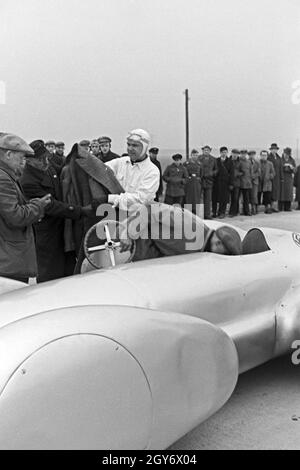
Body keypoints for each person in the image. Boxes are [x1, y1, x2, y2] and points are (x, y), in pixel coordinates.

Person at [20, 140, 93, 283]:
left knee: (68, 271)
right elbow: (50, 206)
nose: (46, 162)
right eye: (41, 160)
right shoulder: (27, 181)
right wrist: (80, 210)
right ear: (30, 161)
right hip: (47, 232)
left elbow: (66, 171)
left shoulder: (48, 168)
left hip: (63, 229)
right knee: (50, 273)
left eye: (47, 157)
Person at [0, 133, 51, 283]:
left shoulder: (7, 176)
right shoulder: (2, 178)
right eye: (21, 157)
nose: (24, 162)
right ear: (8, 154)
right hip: (9, 261)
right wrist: (38, 205)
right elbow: (15, 216)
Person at [119, 203, 242, 261]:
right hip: (136, 238)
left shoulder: (200, 243)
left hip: (152, 249)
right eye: (225, 254)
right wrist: (128, 233)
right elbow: (150, 209)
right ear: (218, 243)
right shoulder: (191, 227)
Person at [94, 129, 160, 211]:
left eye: (135, 145)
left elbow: (139, 200)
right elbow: (100, 168)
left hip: (138, 218)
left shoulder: (152, 171)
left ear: (145, 147)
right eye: (128, 144)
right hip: (116, 214)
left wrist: (109, 198)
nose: (130, 148)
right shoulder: (121, 162)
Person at [212, 146, 233, 219]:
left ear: (227, 153)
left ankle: (222, 212)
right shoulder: (216, 160)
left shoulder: (230, 161)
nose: (224, 154)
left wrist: (231, 183)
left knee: (224, 199)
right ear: (220, 153)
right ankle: (214, 212)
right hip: (217, 182)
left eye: (225, 152)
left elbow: (232, 173)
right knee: (215, 198)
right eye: (222, 152)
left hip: (226, 183)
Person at [198, 145, 218, 220]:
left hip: (209, 181)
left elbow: (216, 170)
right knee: (199, 198)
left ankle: (207, 214)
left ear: (210, 151)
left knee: (208, 199)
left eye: (208, 150)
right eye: (205, 150)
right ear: (202, 151)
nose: (206, 151)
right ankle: (199, 214)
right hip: (200, 180)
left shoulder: (213, 159)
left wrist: (211, 173)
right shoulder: (199, 158)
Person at [183, 149, 202, 214]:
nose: (195, 156)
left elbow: (201, 173)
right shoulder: (186, 163)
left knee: (197, 198)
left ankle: (196, 213)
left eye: (196, 155)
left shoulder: (199, 164)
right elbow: (184, 173)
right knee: (189, 198)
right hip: (189, 183)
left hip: (197, 183)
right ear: (191, 155)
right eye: (194, 155)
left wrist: (199, 179)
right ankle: (188, 212)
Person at [279, 147, 296, 212]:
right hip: (282, 178)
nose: (286, 155)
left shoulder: (292, 160)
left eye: (287, 154)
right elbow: (279, 168)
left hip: (289, 179)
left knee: (288, 193)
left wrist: (291, 167)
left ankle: (287, 207)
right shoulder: (281, 160)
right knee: (282, 193)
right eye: (285, 154)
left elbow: (295, 170)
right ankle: (280, 207)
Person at [268, 143, 282, 212]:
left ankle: (274, 206)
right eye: (273, 149)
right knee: (271, 192)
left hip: (277, 177)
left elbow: (280, 168)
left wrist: (281, 177)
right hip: (271, 177)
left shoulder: (279, 158)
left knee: (276, 192)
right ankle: (270, 207)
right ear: (271, 150)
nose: (274, 150)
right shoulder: (269, 157)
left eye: (275, 149)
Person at [229, 149, 243, 217]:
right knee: (229, 198)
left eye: (237, 154)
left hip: (237, 183)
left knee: (235, 198)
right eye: (234, 153)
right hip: (228, 182)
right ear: (231, 153)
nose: (235, 155)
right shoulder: (228, 160)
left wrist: (237, 174)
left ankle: (234, 212)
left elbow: (242, 172)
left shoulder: (240, 162)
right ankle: (230, 211)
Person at [239, 150, 252, 216]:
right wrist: (240, 173)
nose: (243, 155)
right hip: (240, 182)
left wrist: (250, 181)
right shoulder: (238, 161)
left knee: (246, 198)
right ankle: (239, 211)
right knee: (238, 198)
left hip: (247, 182)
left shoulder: (249, 162)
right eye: (242, 154)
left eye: (244, 154)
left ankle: (247, 211)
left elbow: (250, 172)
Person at [248, 150, 261, 215]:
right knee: (249, 195)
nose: (252, 156)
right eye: (250, 155)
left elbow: (259, 172)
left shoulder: (257, 162)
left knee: (254, 195)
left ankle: (255, 208)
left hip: (255, 181)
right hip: (248, 181)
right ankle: (250, 208)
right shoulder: (247, 162)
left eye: (253, 155)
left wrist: (254, 176)